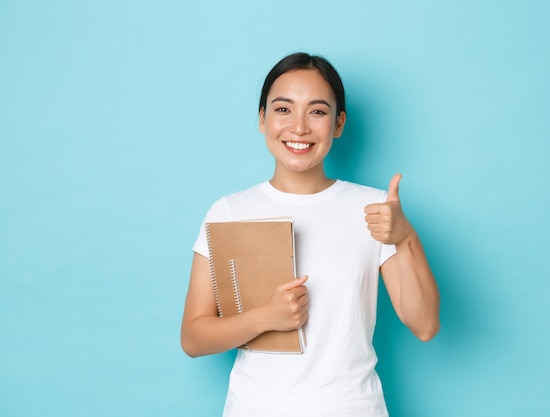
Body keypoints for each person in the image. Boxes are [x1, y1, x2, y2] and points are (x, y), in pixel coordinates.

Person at [181, 52, 440, 417]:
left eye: (317, 111)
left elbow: (425, 325)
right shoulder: (227, 211)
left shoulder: (374, 209)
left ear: (338, 123)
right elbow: (193, 337)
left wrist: (405, 237)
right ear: (262, 119)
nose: (299, 127)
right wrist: (264, 318)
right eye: (283, 109)